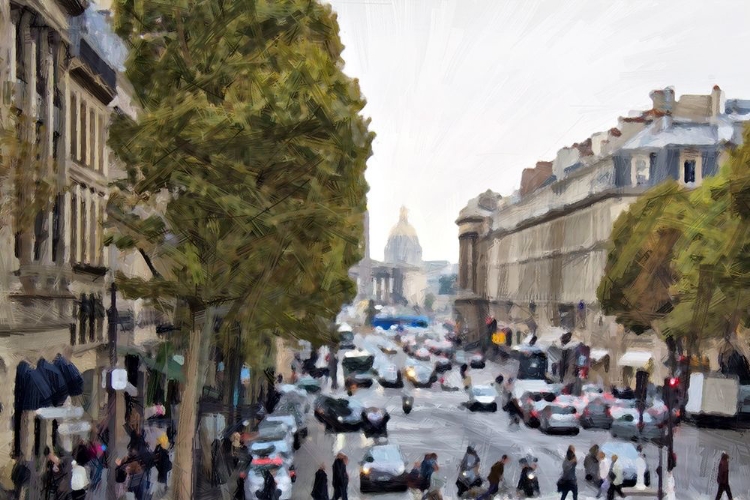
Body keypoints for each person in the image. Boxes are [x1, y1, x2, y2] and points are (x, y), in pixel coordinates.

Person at [153, 434, 172, 499]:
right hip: (162, 479)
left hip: (161, 479)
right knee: (159, 494)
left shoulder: (159, 451)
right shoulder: (163, 454)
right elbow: (166, 466)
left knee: (158, 494)